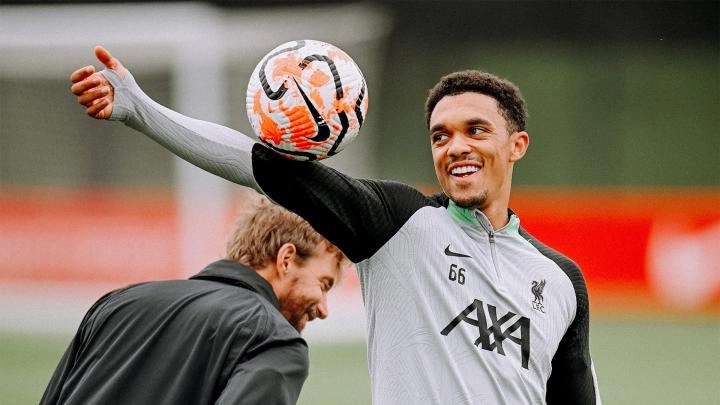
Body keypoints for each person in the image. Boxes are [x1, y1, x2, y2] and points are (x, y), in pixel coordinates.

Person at [70, 45, 602, 404]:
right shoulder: (399, 223)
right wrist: (140, 110)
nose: (456, 146)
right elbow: (258, 165)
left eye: (476, 130)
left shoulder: (561, 279)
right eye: (441, 136)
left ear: (517, 145)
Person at [41, 195, 347, 405]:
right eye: (323, 284)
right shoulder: (274, 341)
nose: (323, 309)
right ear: (286, 260)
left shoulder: (116, 305)